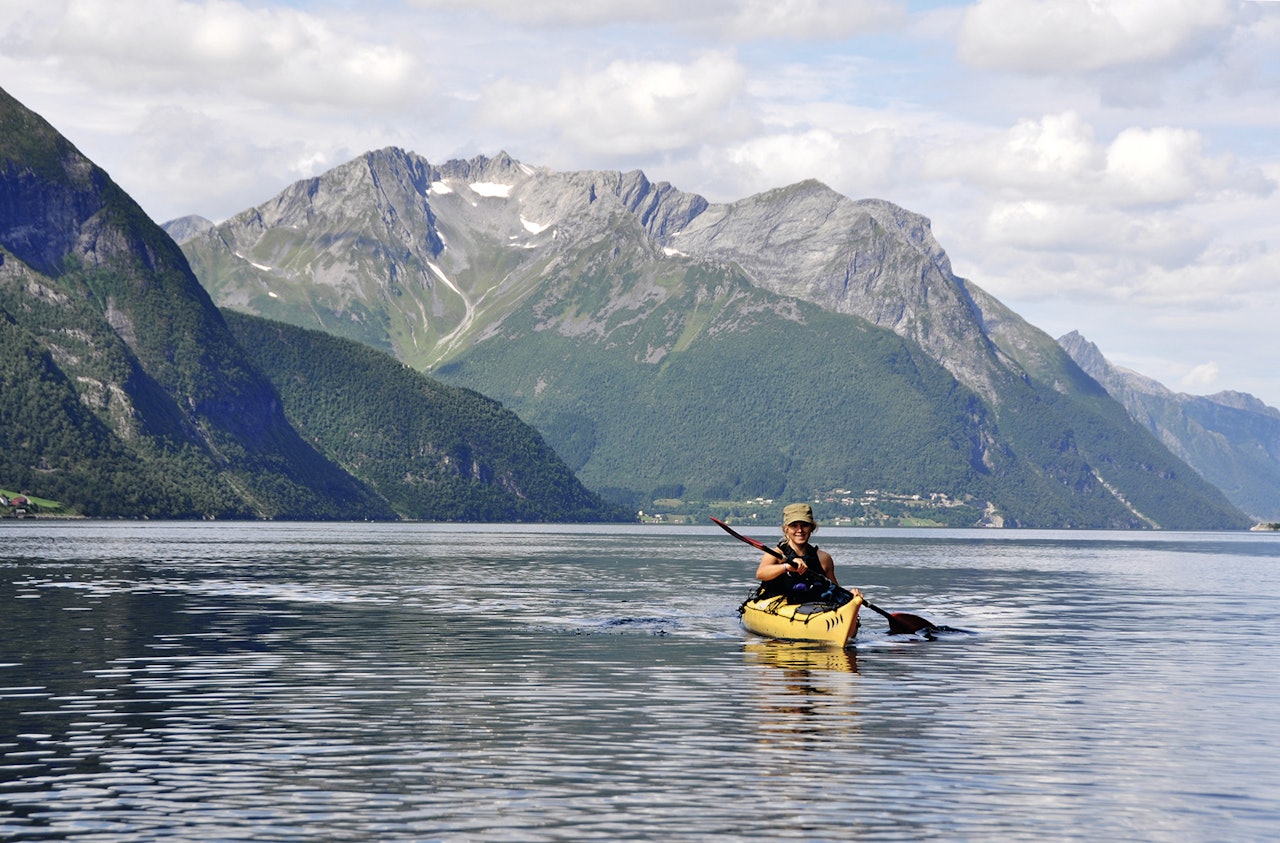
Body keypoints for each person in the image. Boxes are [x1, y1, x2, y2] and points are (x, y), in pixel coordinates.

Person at [755, 503, 861, 604]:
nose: (800, 530)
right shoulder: (775, 555)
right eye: (794, 526)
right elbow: (760, 573)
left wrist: (851, 597)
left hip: (812, 609)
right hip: (779, 606)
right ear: (786, 529)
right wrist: (786, 567)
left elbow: (834, 589)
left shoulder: (824, 559)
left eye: (804, 525)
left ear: (812, 528)